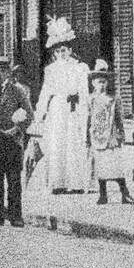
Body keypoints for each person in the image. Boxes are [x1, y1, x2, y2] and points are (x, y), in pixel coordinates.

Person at [37, 17, 91, 194]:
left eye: (65, 50)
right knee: (57, 143)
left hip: (74, 108)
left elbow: (84, 90)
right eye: (59, 50)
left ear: (70, 50)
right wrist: (40, 114)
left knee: (73, 143)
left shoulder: (80, 68)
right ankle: (58, 182)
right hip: (58, 107)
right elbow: (46, 92)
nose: (62, 53)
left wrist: (85, 109)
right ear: (55, 52)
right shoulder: (51, 69)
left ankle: (75, 183)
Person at [0, 56, 33, 227]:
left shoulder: (18, 91)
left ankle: (16, 215)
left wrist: (17, 129)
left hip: (12, 140)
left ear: (8, 72)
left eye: (2, 71)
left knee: (14, 179)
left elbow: (29, 115)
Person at [86, 64, 134, 205]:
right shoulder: (91, 99)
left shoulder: (113, 99)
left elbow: (119, 118)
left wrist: (122, 133)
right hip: (96, 134)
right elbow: (88, 119)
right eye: (98, 82)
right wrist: (87, 137)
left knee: (115, 165)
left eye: (103, 81)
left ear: (107, 83)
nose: (101, 85)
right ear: (93, 83)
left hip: (111, 134)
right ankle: (103, 194)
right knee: (100, 165)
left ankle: (124, 193)